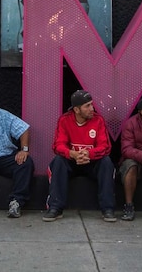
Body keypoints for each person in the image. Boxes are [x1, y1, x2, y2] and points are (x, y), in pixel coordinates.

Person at [43, 89, 116, 222]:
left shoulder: (98, 120)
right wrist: (72, 154)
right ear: (77, 110)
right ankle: (55, 207)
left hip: (91, 162)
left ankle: (107, 209)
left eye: (91, 104)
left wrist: (88, 153)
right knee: (58, 161)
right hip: (72, 161)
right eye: (87, 106)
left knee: (106, 162)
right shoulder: (65, 120)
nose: (92, 109)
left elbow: (105, 147)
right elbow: (58, 145)